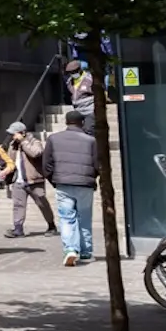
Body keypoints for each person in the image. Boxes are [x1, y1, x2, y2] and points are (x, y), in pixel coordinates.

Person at [45, 109, 101, 266]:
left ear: (66, 122)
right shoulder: (91, 140)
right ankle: (86, 252)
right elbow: (97, 164)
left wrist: (54, 180)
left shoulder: (53, 139)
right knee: (84, 218)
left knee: (66, 218)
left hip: (63, 184)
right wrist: (92, 178)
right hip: (85, 183)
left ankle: (70, 249)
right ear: (82, 123)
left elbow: (46, 164)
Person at [3, 120, 56, 237]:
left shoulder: (34, 142)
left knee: (42, 203)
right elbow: (10, 161)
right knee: (18, 205)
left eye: (14, 133)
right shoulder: (13, 145)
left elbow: (36, 153)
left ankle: (51, 225)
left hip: (34, 180)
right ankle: (18, 229)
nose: (12, 136)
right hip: (18, 180)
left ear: (22, 133)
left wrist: (23, 142)